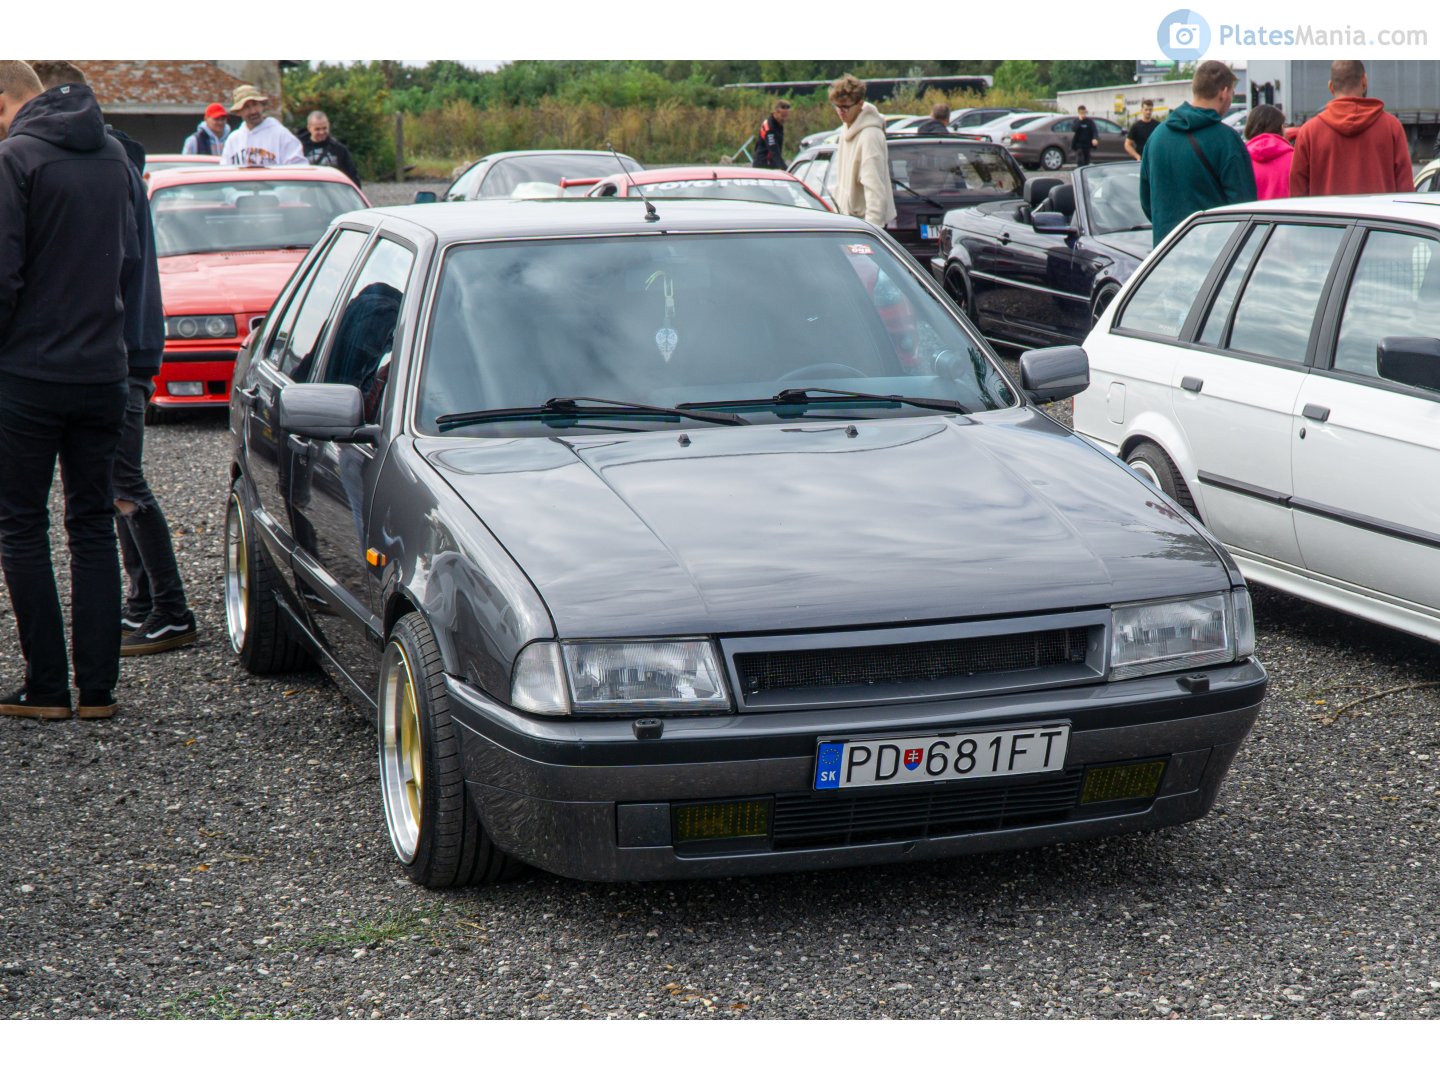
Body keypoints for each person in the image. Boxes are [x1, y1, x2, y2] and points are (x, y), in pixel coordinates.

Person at [32, 63, 200, 656]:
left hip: (121, 350)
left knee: (123, 485)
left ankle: (174, 612)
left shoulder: (110, 164)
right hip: (123, 346)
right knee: (111, 483)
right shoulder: (116, 159)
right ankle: (141, 601)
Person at [0, 61, 136, 720]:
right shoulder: (114, 155)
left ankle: (48, 688)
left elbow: (3, 278)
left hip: (29, 375)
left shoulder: (16, 159)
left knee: (21, 526)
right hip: (103, 374)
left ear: (5, 99)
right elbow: (133, 263)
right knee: (91, 528)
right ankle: (100, 691)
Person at [1139, 61, 1257, 246]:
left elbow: (1148, 203)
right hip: (1214, 261)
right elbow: (1245, 207)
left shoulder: (1156, 137)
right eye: (1232, 93)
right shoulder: (1227, 140)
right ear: (1224, 92)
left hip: (1165, 256)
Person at [1290, 61, 1413, 197]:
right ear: (1364, 81)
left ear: (1331, 87)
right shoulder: (1392, 127)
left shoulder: (1309, 132)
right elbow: (1405, 190)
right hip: (1378, 217)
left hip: (1327, 218)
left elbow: (1298, 194)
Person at [828, 74, 896, 229]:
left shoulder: (870, 135)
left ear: (860, 104)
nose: (841, 112)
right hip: (847, 222)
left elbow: (875, 190)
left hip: (864, 226)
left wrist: (872, 232)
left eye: (845, 107)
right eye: (837, 107)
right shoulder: (846, 128)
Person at [221, 84, 304, 167]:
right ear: (238, 112)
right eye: (246, 107)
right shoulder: (233, 140)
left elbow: (298, 169)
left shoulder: (281, 135)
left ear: (262, 106)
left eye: (255, 104)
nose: (253, 111)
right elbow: (225, 172)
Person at [298, 110, 361, 186]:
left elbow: (352, 176)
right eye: (317, 129)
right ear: (309, 128)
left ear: (329, 126)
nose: (321, 132)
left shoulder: (339, 149)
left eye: (324, 128)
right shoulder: (299, 149)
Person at [1245, 105, 1294, 200]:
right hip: (1286, 213)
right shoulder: (1294, 158)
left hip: (1250, 214)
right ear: (1280, 127)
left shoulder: (1241, 159)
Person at [752, 99, 790, 170]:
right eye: (782, 116)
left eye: (786, 116)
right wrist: (786, 169)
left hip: (771, 164)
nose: (784, 119)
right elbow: (774, 150)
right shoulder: (769, 127)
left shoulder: (779, 124)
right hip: (763, 165)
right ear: (775, 112)